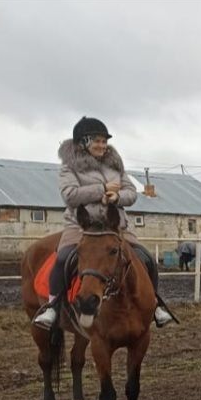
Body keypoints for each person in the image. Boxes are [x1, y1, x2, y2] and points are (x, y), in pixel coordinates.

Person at [33, 117, 175, 330]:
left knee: (146, 259)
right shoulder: (69, 168)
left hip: (115, 225)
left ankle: (155, 304)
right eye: (97, 141)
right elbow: (70, 195)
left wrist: (117, 198)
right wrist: (102, 189)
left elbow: (131, 193)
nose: (102, 145)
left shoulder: (115, 165)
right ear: (83, 142)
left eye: (104, 141)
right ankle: (52, 307)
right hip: (81, 226)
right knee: (63, 259)